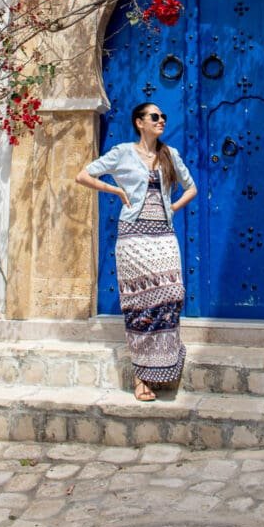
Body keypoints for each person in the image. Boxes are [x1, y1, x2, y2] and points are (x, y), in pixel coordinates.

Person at [76, 102, 197, 401]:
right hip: (133, 238)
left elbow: (191, 187)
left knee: (170, 297)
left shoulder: (170, 155)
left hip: (164, 237)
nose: (161, 121)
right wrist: (115, 191)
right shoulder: (122, 153)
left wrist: (172, 208)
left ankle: (166, 364)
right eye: (155, 116)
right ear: (139, 122)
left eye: (163, 116)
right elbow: (83, 175)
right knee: (139, 305)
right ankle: (141, 376)